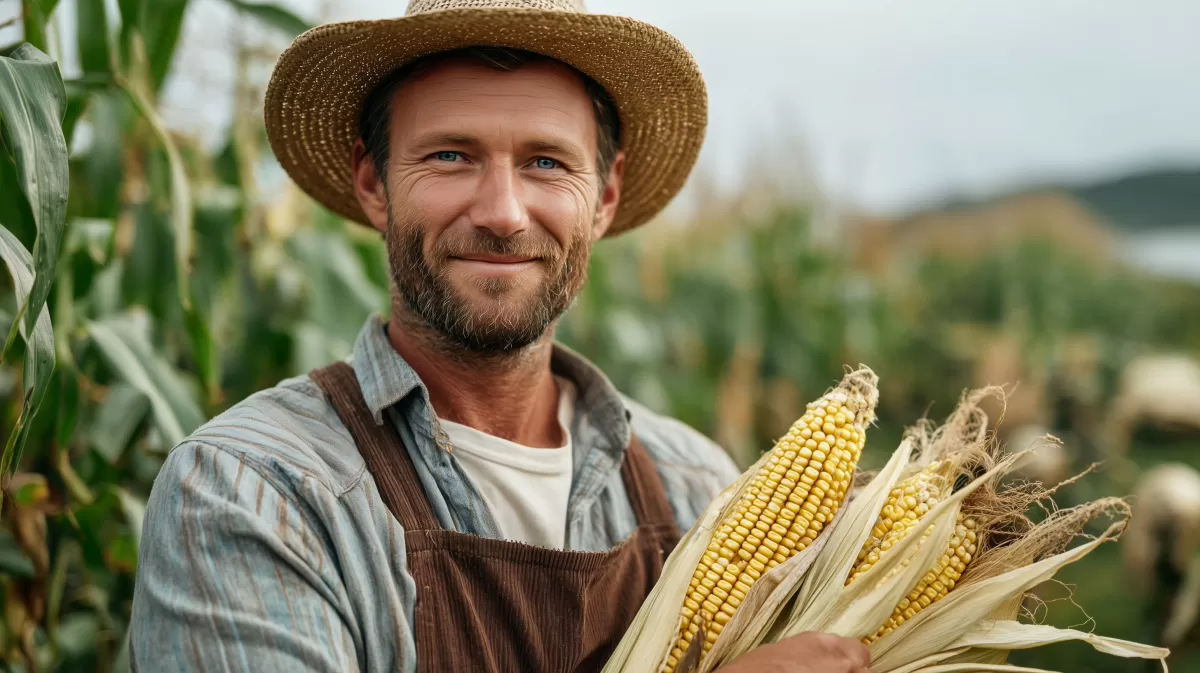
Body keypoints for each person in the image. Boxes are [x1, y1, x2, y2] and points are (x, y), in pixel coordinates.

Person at [129, 1, 871, 672]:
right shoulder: (254, 492)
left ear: (604, 197)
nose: (504, 212)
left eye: (546, 163)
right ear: (372, 180)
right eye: (451, 154)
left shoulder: (697, 489)